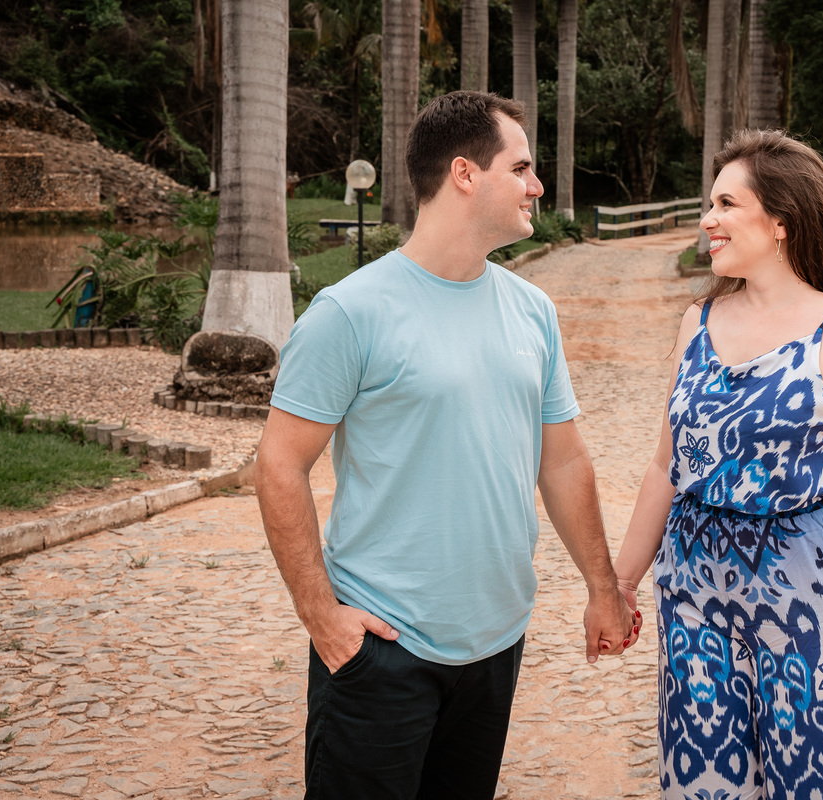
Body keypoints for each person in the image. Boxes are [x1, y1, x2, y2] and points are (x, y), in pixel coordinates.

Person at [254, 90, 637, 800]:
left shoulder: (533, 310)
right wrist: (323, 619)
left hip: (495, 646)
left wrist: (602, 588)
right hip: (381, 652)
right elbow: (278, 464)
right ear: (466, 174)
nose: (537, 185)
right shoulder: (350, 312)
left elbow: (563, 460)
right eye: (521, 168)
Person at [613, 129, 823, 799]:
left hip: (807, 594)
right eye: (708, 205)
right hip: (693, 596)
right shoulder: (698, 321)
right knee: (705, 778)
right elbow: (667, 468)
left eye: (725, 204)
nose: (707, 221)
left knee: (818, 777)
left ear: (780, 222)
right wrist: (621, 581)